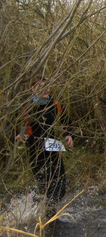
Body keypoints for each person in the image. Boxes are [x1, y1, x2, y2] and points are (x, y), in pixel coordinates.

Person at [17, 74, 74, 218]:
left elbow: (67, 121)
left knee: (60, 185)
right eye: (41, 88)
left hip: (53, 145)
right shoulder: (26, 106)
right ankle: (46, 215)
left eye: (47, 87)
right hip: (35, 147)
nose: (46, 90)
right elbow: (15, 125)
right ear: (32, 88)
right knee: (45, 182)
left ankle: (42, 205)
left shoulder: (55, 104)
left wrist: (68, 134)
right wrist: (18, 134)